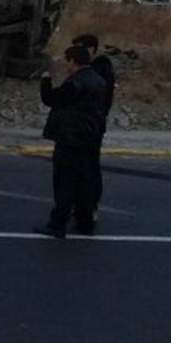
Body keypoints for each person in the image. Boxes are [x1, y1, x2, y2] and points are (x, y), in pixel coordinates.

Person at [34, 44, 107, 239]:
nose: (65, 64)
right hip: (89, 138)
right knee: (84, 182)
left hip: (70, 139)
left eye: (67, 60)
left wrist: (45, 80)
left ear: (73, 61)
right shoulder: (98, 80)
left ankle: (58, 223)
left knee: (64, 182)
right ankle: (85, 222)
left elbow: (52, 99)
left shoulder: (76, 82)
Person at [72, 33, 115, 216]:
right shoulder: (96, 70)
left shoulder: (98, 70)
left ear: (90, 49)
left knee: (88, 166)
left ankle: (89, 206)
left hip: (91, 125)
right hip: (90, 124)